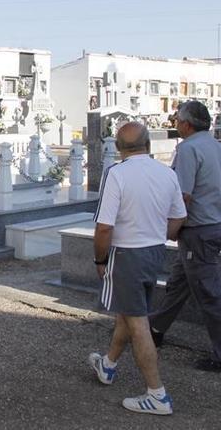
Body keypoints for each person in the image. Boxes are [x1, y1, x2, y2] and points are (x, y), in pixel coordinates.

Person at [88, 122, 187, 416]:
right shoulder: (167, 173)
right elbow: (179, 217)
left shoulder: (117, 174)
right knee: (129, 312)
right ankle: (108, 364)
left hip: (127, 252)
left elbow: (104, 226)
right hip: (154, 250)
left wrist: (99, 259)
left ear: (118, 148)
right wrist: (157, 233)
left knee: (137, 322)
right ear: (148, 144)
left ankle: (157, 393)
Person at [149, 101, 221, 373]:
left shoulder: (189, 149)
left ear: (187, 124)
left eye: (177, 119)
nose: (175, 123)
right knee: (179, 283)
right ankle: (156, 329)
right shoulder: (218, 148)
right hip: (215, 227)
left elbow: (183, 197)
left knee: (210, 294)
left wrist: (168, 230)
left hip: (198, 231)